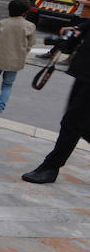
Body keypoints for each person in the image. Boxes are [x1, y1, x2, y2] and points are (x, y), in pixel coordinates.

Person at [22, 17, 90, 184]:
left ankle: (50, 167)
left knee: (73, 121)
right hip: (85, 67)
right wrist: (80, 28)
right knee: (82, 125)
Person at [0, 0, 36, 116]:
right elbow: (29, 45)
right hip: (15, 61)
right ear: (25, 12)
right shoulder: (30, 26)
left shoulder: (1, 23)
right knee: (7, 85)